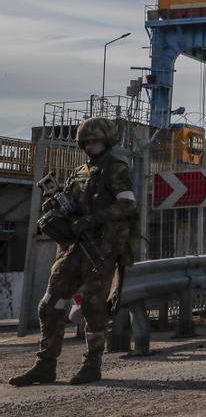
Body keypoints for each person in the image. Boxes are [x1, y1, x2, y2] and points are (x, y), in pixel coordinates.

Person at [9, 117, 137, 387]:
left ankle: (92, 365)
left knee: (92, 306)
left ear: (107, 140)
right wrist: (54, 207)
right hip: (72, 247)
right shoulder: (79, 171)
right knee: (50, 304)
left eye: (97, 140)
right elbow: (71, 202)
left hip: (99, 248)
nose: (92, 145)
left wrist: (93, 219)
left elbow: (127, 205)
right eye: (87, 141)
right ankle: (45, 366)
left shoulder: (116, 169)